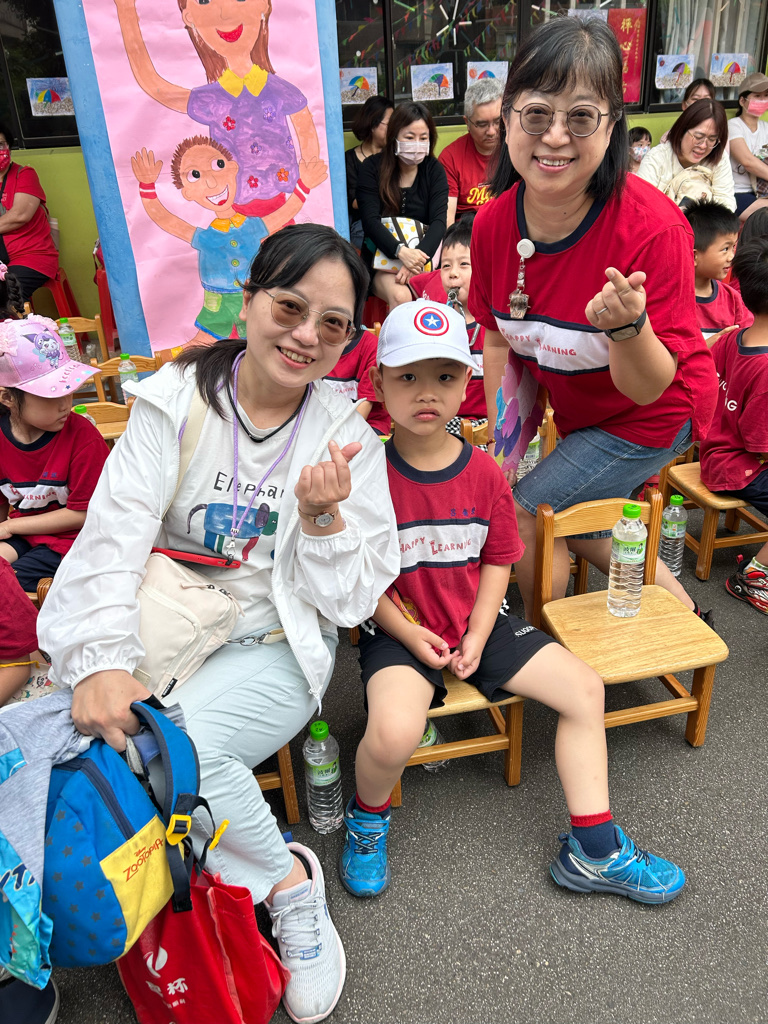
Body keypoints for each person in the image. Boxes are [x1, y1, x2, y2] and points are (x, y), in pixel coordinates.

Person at [36, 224, 400, 1024]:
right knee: (78, 741)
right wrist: (99, 660)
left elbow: (350, 604)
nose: (305, 336)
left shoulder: (345, 438)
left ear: (349, 339)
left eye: (332, 324)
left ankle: (288, 886)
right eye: (290, 307)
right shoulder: (176, 401)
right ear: (251, 296)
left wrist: (323, 520)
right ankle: (96, 903)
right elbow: (112, 538)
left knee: (178, 748)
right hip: (162, 622)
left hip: (274, 644)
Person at [339, 299, 685, 905]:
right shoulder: (364, 474)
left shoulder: (484, 473)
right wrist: (409, 633)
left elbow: (498, 559)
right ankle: (367, 820)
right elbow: (358, 578)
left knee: (585, 690)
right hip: (399, 627)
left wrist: (477, 632)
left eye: (445, 375)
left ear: (467, 383)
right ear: (378, 382)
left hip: (481, 620)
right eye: (407, 376)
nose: (427, 392)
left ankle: (594, 849)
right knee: (394, 732)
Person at [470, 16, 718, 624]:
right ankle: (686, 615)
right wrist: (501, 448)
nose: (555, 137)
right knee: (576, 518)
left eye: (581, 117)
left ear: (612, 127)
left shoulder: (653, 229)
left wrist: (629, 330)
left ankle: (535, 645)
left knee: (530, 513)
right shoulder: (493, 223)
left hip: (653, 414)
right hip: (581, 409)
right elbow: (500, 341)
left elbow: (648, 388)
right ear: (508, 118)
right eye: (536, 114)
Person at [115, 0, 327, 219]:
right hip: (233, 212)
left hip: (284, 206)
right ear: (189, 17)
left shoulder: (279, 90)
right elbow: (154, 85)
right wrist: (126, 11)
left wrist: (307, 177)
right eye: (204, 1)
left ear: (263, 5)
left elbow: (307, 132)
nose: (225, 13)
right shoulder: (211, 99)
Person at [131, 140, 326, 345]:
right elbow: (167, 221)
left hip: (254, 296)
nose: (211, 182)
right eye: (195, 175)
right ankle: (165, 361)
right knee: (203, 343)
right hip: (217, 301)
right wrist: (147, 187)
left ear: (233, 169)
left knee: (259, 341)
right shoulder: (205, 237)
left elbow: (283, 214)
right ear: (187, 192)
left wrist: (304, 186)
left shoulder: (251, 226)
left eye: (218, 165)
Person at [0, 316, 107, 593]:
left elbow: (83, 514)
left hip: (76, 538)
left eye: (68, 391)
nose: (65, 405)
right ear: (8, 398)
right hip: (26, 533)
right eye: (51, 395)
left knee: (9, 582)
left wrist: (10, 528)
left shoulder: (82, 436)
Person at [700, 237, 768, 615]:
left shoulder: (733, 337)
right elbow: (760, 444)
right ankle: (754, 578)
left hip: (716, 452)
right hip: (739, 466)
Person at [356, 102, 449, 308]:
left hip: (422, 260)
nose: (417, 144)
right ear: (394, 136)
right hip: (381, 260)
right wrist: (401, 252)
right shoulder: (371, 168)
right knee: (401, 296)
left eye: (423, 138)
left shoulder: (434, 170)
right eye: (409, 137)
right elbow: (370, 221)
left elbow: (439, 222)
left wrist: (415, 261)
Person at [436, 217, 487, 435]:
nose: (453, 273)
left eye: (464, 264)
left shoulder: (496, 324)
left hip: (491, 423)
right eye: (446, 265)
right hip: (447, 422)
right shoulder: (436, 323)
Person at [637, 98, 735, 210]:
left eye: (712, 139)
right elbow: (642, 204)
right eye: (698, 137)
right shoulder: (656, 158)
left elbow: (726, 204)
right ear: (682, 130)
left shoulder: (720, 159)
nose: (703, 146)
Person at [0, 122, 58, 303]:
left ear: (9, 147)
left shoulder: (24, 174)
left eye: (0, 144)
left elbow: (20, 216)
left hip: (30, 257)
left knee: (4, 296)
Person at [683, 201, 752, 345]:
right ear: (694, 256)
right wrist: (708, 347)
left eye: (733, 247)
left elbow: (747, 340)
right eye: (725, 249)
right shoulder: (674, 299)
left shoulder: (733, 299)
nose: (731, 257)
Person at [439, 78, 504, 226]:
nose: (491, 131)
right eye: (482, 124)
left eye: (497, 121)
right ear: (467, 123)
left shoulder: (516, 150)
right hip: (467, 232)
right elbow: (447, 219)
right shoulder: (450, 158)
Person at [345, 96, 393, 248]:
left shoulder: (396, 156)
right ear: (373, 123)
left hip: (394, 219)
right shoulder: (349, 159)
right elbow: (355, 202)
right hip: (363, 223)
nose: (394, 129)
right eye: (390, 123)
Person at [324, 326, 391, 434]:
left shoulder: (370, 344)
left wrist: (339, 435)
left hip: (368, 422)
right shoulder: (313, 343)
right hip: (323, 423)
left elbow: (365, 403)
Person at [727, 73, 768, 219]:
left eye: (766, 96)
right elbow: (748, 162)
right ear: (742, 101)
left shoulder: (766, 127)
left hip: (762, 192)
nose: (763, 100)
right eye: (757, 96)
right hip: (738, 193)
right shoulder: (733, 126)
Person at [659, 78, 716, 143]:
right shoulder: (669, 138)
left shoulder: (719, 136)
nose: (701, 104)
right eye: (695, 99)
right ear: (684, 105)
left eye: (706, 99)